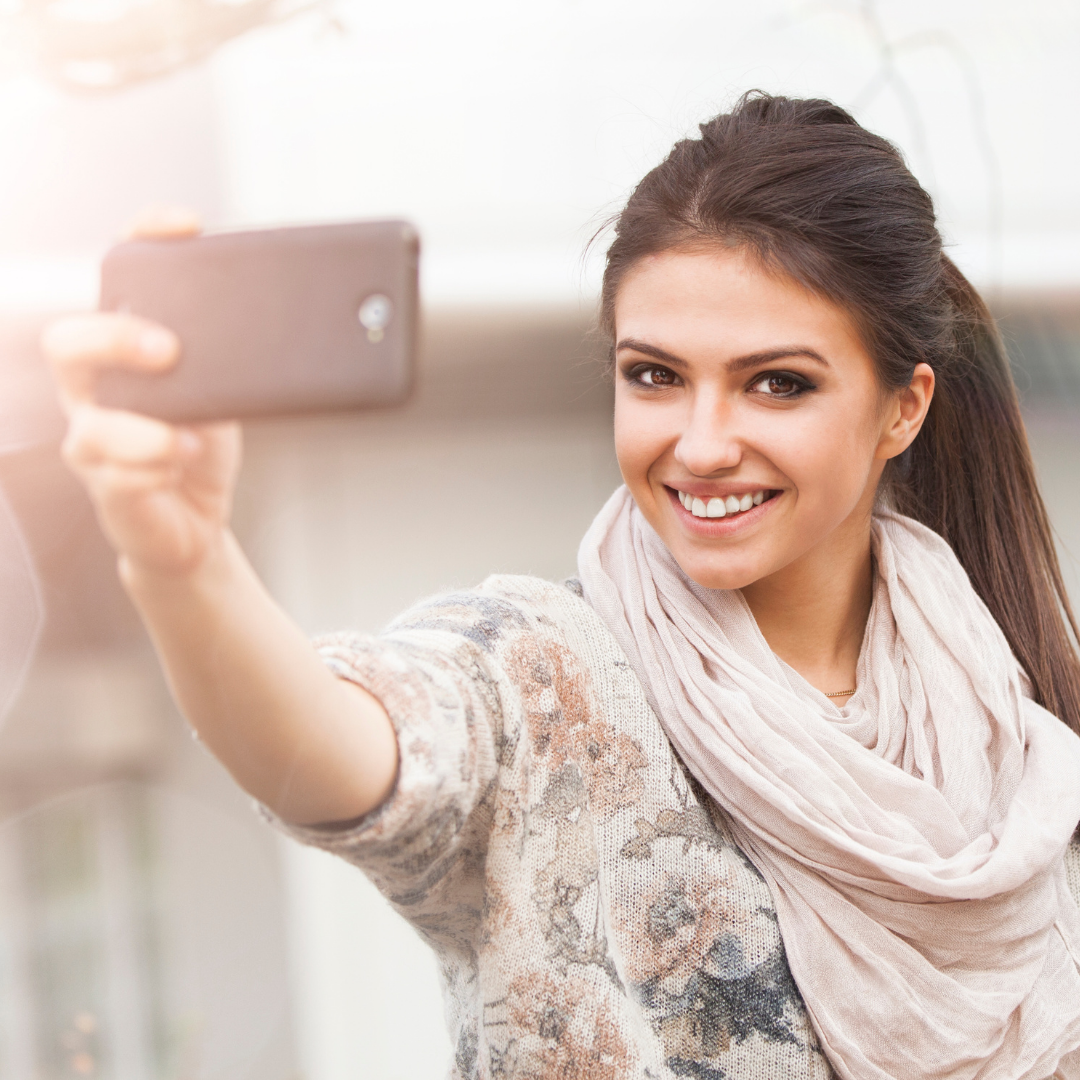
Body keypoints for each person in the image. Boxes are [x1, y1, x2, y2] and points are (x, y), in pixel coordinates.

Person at [44, 94, 1080, 1080]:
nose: (702, 443)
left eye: (778, 383)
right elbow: (333, 751)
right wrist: (181, 565)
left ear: (904, 409)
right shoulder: (544, 677)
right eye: (655, 376)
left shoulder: (1010, 737)